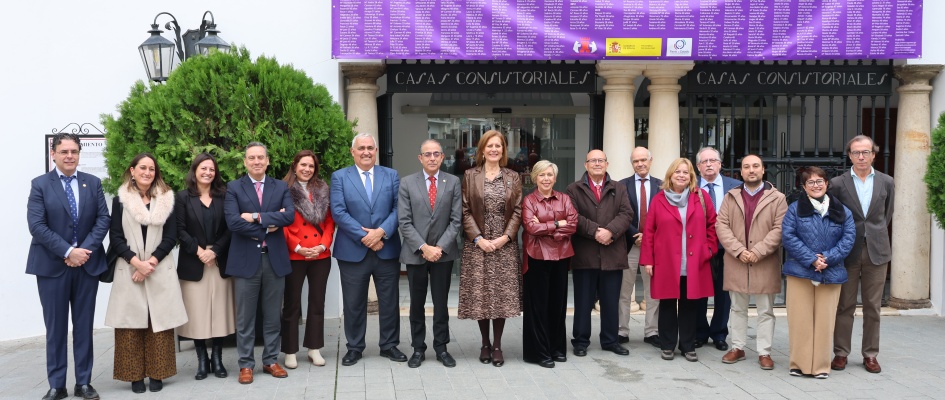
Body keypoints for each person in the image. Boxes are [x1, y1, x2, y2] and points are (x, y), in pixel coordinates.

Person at [27, 133, 110, 400]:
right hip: (52, 267)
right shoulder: (40, 185)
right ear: (53, 153)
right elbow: (37, 226)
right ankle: (57, 384)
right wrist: (68, 251)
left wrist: (82, 251)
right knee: (56, 327)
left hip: (87, 265)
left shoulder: (92, 183)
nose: (69, 156)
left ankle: (84, 382)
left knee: (84, 326)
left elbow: (103, 219)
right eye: (64, 151)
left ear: (79, 153)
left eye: (74, 151)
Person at [104, 153, 187, 393]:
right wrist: (135, 263)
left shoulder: (165, 199)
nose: (147, 172)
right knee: (130, 324)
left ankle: (158, 374)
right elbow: (116, 237)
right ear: (132, 170)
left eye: (151, 168)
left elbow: (171, 236)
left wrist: (149, 263)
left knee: (158, 323)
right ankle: (134, 376)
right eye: (142, 168)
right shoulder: (121, 200)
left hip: (158, 267)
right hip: (129, 269)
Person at [331, 133, 405, 366]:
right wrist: (367, 236)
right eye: (361, 148)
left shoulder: (391, 175)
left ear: (376, 151)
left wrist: (381, 232)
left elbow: (398, 208)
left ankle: (390, 345)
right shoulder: (340, 177)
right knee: (353, 303)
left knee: (390, 301)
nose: (366, 152)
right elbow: (338, 212)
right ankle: (354, 347)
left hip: (387, 248)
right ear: (352, 152)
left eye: (370, 148)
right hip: (353, 250)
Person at [224, 142, 295, 384]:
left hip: (273, 260)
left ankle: (271, 360)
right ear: (245, 162)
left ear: (267, 161)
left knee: (273, 315)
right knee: (245, 317)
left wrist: (254, 217)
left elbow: (289, 216)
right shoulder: (234, 187)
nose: (256, 161)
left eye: (260, 157)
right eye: (252, 158)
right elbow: (233, 222)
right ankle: (245, 364)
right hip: (245, 262)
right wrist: (268, 227)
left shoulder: (280, 186)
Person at [829, 135, 895, 374]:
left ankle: (870, 354)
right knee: (844, 305)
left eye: (865, 152)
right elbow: (834, 218)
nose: (861, 157)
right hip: (848, 251)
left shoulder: (887, 182)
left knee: (873, 306)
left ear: (873, 154)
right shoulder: (838, 183)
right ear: (849, 155)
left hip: (877, 251)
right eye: (856, 153)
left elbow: (886, 216)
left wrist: (873, 232)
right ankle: (841, 353)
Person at [641, 158, 717, 362]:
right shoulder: (658, 199)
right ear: (670, 175)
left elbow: (713, 225)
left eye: (686, 172)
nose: (681, 175)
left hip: (694, 261)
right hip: (666, 261)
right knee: (666, 303)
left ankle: (687, 345)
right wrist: (648, 260)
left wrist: (709, 249)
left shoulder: (700, 197)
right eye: (678, 172)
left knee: (689, 305)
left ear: (691, 176)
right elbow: (649, 231)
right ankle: (667, 345)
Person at [715, 155, 788, 370]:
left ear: (763, 170)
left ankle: (764, 352)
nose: (751, 170)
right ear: (741, 171)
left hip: (764, 261)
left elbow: (779, 228)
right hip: (737, 260)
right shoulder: (731, 196)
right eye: (746, 167)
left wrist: (757, 251)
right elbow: (722, 226)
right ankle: (737, 347)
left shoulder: (777, 198)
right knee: (737, 308)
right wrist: (739, 251)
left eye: (756, 166)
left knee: (765, 310)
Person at [782, 166, 856, 378]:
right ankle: (799, 364)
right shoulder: (794, 209)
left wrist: (828, 258)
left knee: (825, 321)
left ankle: (821, 366)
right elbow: (788, 237)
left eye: (820, 181)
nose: (816, 185)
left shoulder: (842, 210)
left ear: (826, 183)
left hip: (831, 273)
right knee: (800, 319)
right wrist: (811, 259)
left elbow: (848, 238)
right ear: (804, 187)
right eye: (811, 182)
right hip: (801, 271)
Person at [459, 130, 523, 367]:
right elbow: (464, 210)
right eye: (490, 146)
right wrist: (478, 238)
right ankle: (484, 343)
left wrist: (505, 237)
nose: (494, 149)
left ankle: (497, 345)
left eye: (498, 146)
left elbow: (518, 210)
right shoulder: (469, 175)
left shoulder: (512, 177)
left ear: (503, 150)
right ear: (482, 149)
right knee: (481, 296)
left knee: (500, 297)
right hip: (478, 246)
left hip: (504, 247)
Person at [398, 139, 463, 368]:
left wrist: (439, 247)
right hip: (416, 253)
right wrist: (424, 247)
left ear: (443, 157)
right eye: (428, 154)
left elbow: (456, 221)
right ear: (420, 158)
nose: (432, 158)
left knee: (441, 302)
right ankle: (418, 348)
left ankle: (441, 347)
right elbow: (404, 222)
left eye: (436, 154)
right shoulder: (407, 183)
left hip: (443, 254)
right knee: (416, 303)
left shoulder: (453, 182)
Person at [566, 149, 633, 358]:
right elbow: (573, 217)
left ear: (607, 164)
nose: (597, 164)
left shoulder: (619, 188)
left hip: (612, 254)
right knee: (583, 302)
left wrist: (610, 232)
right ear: (585, 165)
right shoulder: (573, 189)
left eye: (600, 160)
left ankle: (610, 341)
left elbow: (627, 213)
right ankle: (580, 341)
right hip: (585, 255)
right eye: (592, 161)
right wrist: (596, 231)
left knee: (611, 301)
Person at [175, 153, 234, 380]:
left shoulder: (225, 196)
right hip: (194, 260)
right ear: (195, 171)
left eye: (211, 169)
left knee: (219, 311)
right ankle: (202, 360)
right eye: (203, 168)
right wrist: (200, 251)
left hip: (218, 260)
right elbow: (179, 229)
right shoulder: (182, 198)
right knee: (197, 313)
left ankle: (217, 359)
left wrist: (215, 250)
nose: (208, 172)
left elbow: (231, 228)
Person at [277, 150, 335, 369]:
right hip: (294, 254)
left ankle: (314, 348)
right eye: (303, 165)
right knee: (291, 304)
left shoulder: (322, 188)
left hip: (320, 254)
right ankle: (290, 350)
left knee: (317, 302)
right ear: (294, 165)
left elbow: (330, 220)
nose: (307, 169)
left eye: (311, 166)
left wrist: (323, 244)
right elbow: (280, 221)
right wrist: (298, 247)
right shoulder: (282, 188)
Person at [521, 160, 578, 368]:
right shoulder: (528, 201)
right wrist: (556, 224)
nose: (546, 179)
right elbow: (530, 228)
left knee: (558, 305)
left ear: (555, 178)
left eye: (550, 175)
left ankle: (557, 349)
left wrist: (546, 228)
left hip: (561, 256)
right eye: (542, 175)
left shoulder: (564, 198)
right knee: (538, 307)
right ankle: (539, 352)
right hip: (536, 257)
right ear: (535, 177)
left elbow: (572, 225)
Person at [694, 147, 742, 351]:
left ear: (720, 164)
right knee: (698, 292)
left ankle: (719, 333)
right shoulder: (690, 185)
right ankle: (700, 332)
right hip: (699, 248)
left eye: (713, 160)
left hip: (727, 248)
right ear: (698, 167)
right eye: (704, 162)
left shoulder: (736, 186)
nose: (709, 164)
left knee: (724, 293)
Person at [617, 146, 662, 348]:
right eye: (636, 161)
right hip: (628, 244)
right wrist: (635, 234)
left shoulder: (662, 186)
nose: (640, 164)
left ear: (651, 161)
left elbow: (664, 217)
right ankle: (621, 331)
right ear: (632, 163)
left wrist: (648, 236)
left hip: (653, 246)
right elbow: (619, 214)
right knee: (624, 291)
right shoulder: (621, 186)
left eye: (643, 160)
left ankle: (652, 332)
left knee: (653, 291)